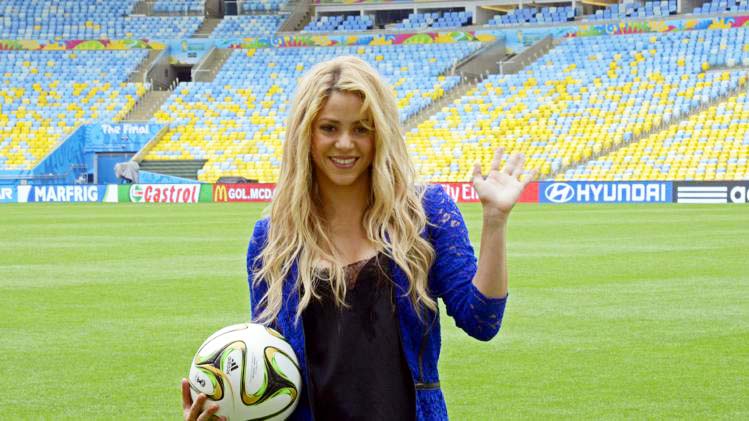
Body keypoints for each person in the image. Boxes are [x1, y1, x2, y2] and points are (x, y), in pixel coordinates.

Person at [181, 56, 536, 421]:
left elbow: (482, 321)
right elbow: (268, 367)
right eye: (330, 128)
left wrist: (494, 222)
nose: (345, 144)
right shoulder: (272, 239)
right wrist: (229, 409)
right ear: (306, 133)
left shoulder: (426, 213)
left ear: (380, 132)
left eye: (362, 129)